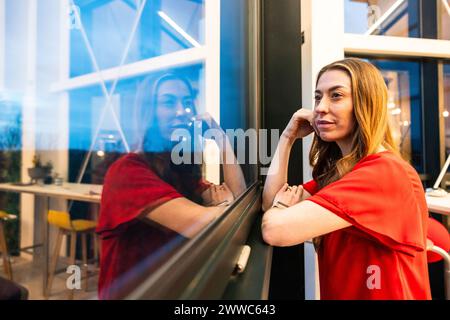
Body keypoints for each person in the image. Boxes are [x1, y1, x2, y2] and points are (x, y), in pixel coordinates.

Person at [261, 58, 431, 300]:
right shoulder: (343, 173)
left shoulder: (384, 173)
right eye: (318, 97)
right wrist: (287, 137)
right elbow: (270, 203)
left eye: (336, 96)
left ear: (365, 104)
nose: (320, 107)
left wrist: (281, 208)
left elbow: (274, 229)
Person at [96, 73, 246, 299]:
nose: (181, 111)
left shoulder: (177, 168)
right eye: (168, 102)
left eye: (187, 103)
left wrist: (220, 137)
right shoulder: (127, 171)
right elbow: (207, 223)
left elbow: (240, 198)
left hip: (170, 288)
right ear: (149, 112)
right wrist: (224, 204)